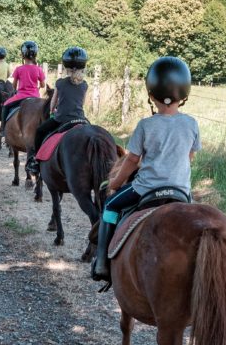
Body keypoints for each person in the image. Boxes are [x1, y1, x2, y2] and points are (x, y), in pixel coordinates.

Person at [91, 56, 201, 282]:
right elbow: (190, 156)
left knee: (110, 207)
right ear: (185, 95)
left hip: (146, 189)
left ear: (151, 95)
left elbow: (131, 160)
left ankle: (102, 262)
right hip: (180, 191)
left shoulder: (146, 125)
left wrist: (115, 183)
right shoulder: (191, 124)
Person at [27, 46, 89, 174]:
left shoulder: (60, 83)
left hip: (62, 119)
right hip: (80, 118)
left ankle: (36, 161)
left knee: (40, 131)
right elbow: (82, 103)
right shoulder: (84, 84)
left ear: (66, 66)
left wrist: (52, 112)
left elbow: (53, 103)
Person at [1, 40, 46, 126]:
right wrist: (38, 86)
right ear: (35, 54)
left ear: (23, 55)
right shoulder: (39, 69)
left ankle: (2, 128)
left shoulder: (19, 69)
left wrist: (15, 90)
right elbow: (43, 85)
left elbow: (14, 85)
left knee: (5, 105)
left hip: (21, 96)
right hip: (35, 97)